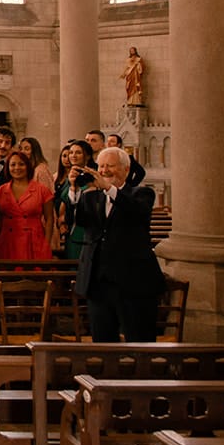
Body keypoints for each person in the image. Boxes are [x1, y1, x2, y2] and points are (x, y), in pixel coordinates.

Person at [68, 145, 165, 341]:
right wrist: (74, 189)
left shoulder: (142, 194)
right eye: (101, 166)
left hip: (133, 282)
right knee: (103, 341)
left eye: (110, 166)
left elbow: (137, 213)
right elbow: (81, 222)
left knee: (139, 340)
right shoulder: (92, 196)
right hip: (98, 282)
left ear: (126, 169)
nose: (104, 171)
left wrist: (109, 188)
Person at [0, 151, 54, 262]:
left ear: (28, 166)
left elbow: (49, 218)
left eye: (21, 164)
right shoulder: (1, 190)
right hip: (7, 240)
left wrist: (47, 243)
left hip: (34, 240)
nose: (17, 168)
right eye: (13, 164)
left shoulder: (42, 190)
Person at [55, 139, 96, 260]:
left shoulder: (93, 176)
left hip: (86, 231)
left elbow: (87, 200)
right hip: (71, 231)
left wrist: (75, 187)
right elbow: (65, 201)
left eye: (78, 152)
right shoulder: (70, 176)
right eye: (71, 152)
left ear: (87, 156)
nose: (73, 156)